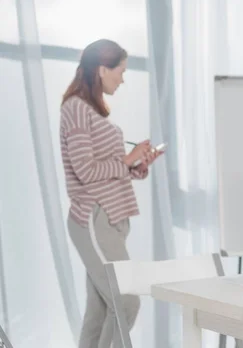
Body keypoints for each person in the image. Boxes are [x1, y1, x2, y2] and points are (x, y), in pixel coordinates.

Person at [60, 39, 162, 348]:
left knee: (101, 310)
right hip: (93, 217)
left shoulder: (91, 111)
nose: (122, 79)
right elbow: (86, 171)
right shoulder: (76, 108)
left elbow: (109, 168)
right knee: (126, 302)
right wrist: (127, 161)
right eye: (120, 71)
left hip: (110, 218)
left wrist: (137, 166)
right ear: (102, 69)